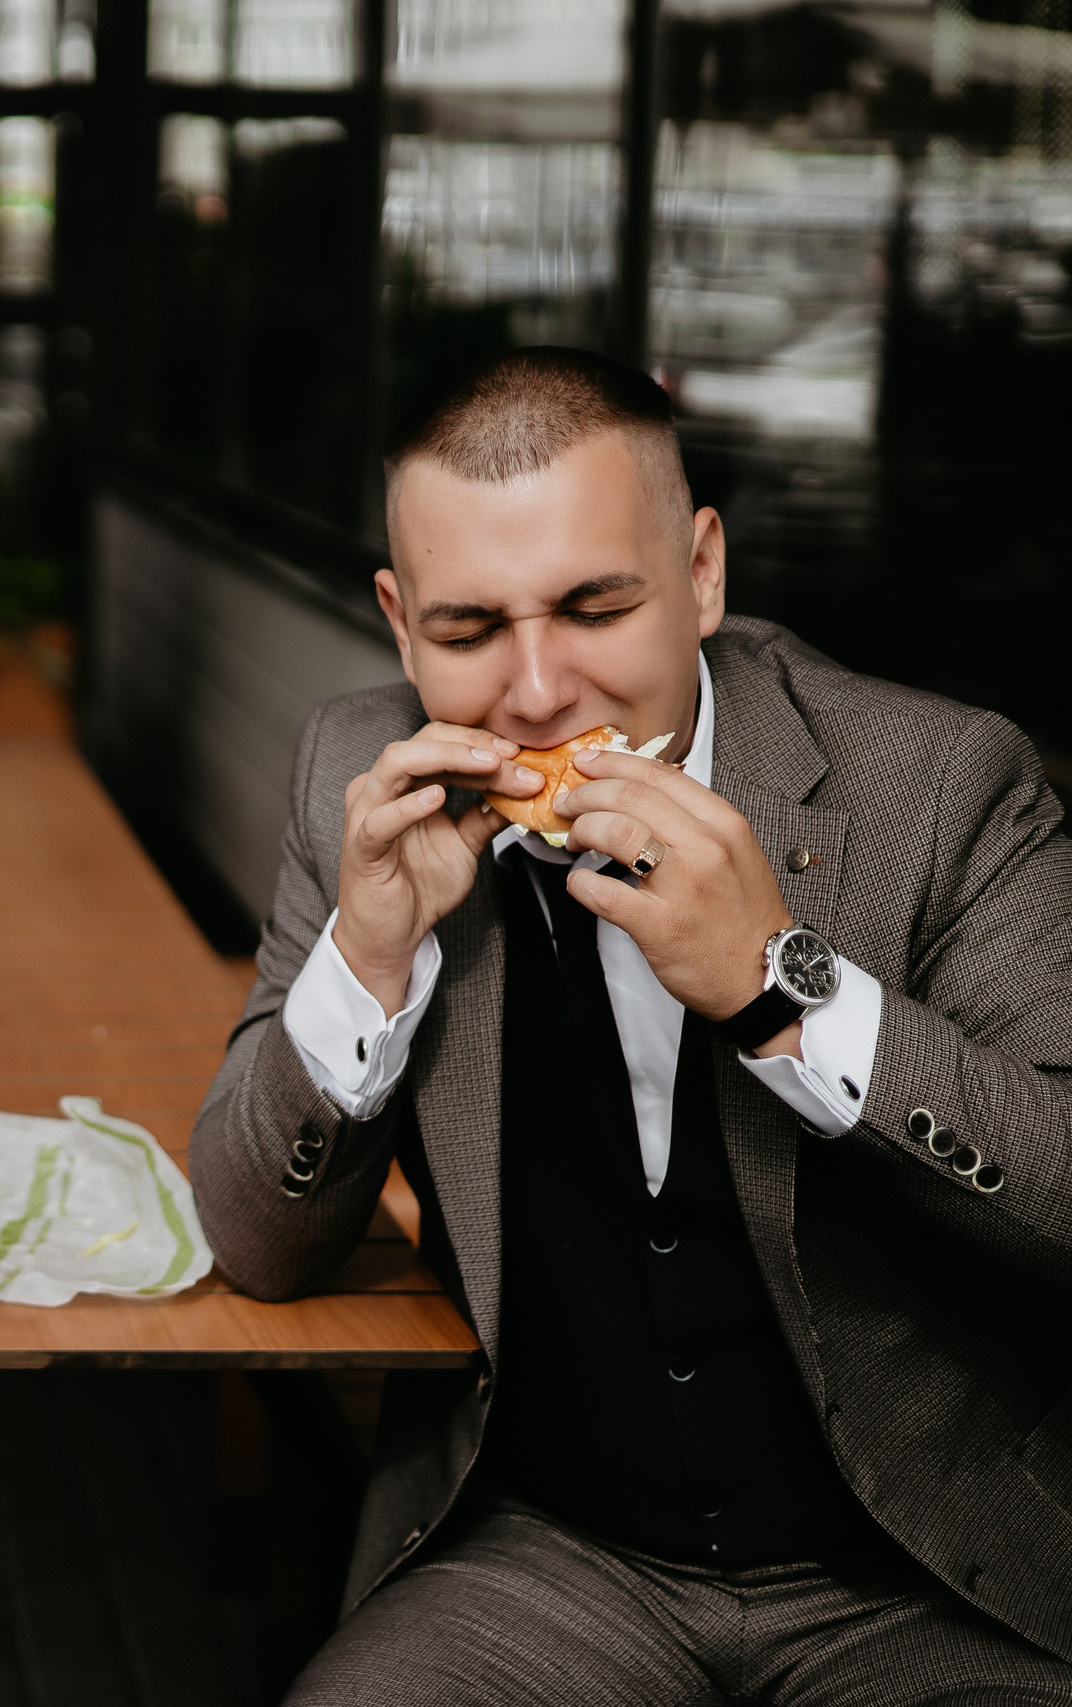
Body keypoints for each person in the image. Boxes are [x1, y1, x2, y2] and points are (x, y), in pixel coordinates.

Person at [191, 347, 1072, 1703]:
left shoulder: (943, 784)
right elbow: (258, 1242)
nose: (539, 693)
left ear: (704, 574)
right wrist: (370, 955)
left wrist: (785, 989)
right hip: (545, 1562)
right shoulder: (355, 782)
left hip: (920, 1577)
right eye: (469, 630)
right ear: (397, 618)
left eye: (596, 606)